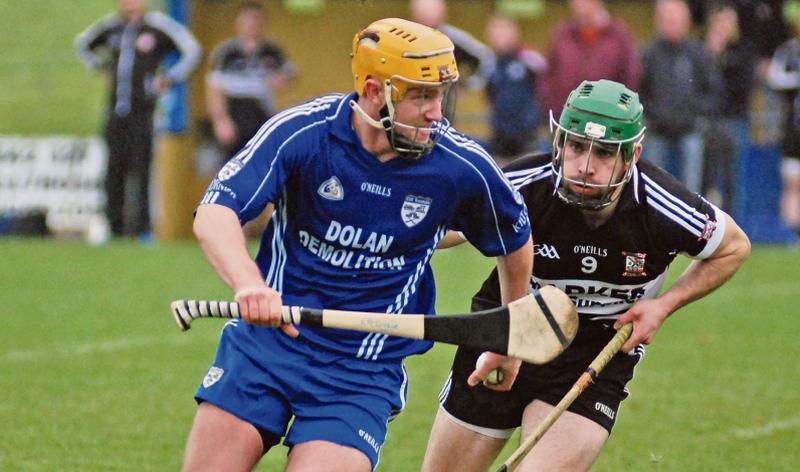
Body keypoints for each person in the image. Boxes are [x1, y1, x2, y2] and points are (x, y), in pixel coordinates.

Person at [182, 18, 533, 472]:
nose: (437, 113)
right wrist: (250, 285)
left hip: (360, 373)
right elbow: (215, 212)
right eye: (421, 96)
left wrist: (509, 332)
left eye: (441, 95)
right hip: (265, 348)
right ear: (373, 90)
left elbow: (514, 240)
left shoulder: (461, 166)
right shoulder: (305, 133)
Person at [421, 79, 751, 472]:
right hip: (507, 333)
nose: (586, 166)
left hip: (594, 354)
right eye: (576, 146)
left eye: (605, 153)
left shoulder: (664, 205)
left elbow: (734, 246)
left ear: (633, 155)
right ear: (559, 141)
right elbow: (444, 227)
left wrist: (663, 306)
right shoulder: (523, 186)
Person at [74, 0, 201, 240]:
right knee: (113, 170)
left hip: (143, 112)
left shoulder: (157, 27)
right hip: (115, 111)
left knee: (142, 170)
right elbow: (82, 44)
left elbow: (192, 50)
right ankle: (114, 228)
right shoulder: (112, 27)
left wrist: (169, 78)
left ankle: (143, 229)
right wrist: (101, 67)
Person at [640, 0, 720, 193]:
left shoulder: (697, 53)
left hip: (690, 129)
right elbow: (640, 90)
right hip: (658, 129)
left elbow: (712, 89)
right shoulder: (649, 53)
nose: (671, 24)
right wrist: (653, 115)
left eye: (675, 19)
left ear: (687, 21)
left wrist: (697, 116)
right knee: (653, 184)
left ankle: (689, 221)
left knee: (691, 188)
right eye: (667, 20)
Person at [206, 2, 294, 159]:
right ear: (238, 23)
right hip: (235, 113)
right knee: (233, 165)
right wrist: (220, 120)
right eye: (247, 20)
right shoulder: (225, 52)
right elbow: (214, 87)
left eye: (256, 20)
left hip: (262, 111)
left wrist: (282, 80)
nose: (252, 25)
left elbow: (290, 74)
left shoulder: (273, 50)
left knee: (264, 161)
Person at [540, 0, 641, 121]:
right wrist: (552, 109)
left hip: (608, 120)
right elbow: (548, 75)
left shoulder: (618, 35)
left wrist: (619, 112)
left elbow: (631, 76)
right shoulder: (562, 34)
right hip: (565, 119)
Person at [702, 3, 756, 212]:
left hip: (734, 120)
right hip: (707, 120)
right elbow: (701, 85)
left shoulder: (744, 50)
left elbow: (741, 88)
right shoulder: (702, 50)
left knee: (732, 180)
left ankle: (734, 229)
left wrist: (720, 58)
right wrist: (712, 55)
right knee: (705, 179)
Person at [479, 13, 547, 166]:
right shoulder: (488, 63)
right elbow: (488, 94)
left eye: (504, 30)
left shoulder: (531, 59)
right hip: (499, 139)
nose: (499, 36)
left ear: (515, 32)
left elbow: (546, 90)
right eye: (495, 31)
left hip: (528, 140)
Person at [409, 0, 494, 120]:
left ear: (443, 13)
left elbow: (487, 58)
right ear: (414, 14)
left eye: (433, 10)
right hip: (407, 112)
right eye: (423, 11)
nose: (428, 15)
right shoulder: (403, 39)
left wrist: (468, 85)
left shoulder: (454, 39)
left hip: (442, 114)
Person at [766, 2, 800, 236]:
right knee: (792, 183)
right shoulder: (789, 50)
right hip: (794, 131)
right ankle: (790, 234)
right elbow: (774, 78)